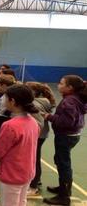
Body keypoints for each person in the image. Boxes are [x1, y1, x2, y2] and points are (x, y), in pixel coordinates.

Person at [0, 84, 40, 206]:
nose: (3, 99)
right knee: (21, 201)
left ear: (13, 101)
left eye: (5, 97)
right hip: (27, 171)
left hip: (12, 173)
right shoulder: (33, 122)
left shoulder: (10, 126)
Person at [43, 75, 86, 206]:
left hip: (66, 136)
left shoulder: (69, 102)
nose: (59, 85)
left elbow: (66, 122)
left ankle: (64, 196)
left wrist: (49, 116)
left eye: (61, 83)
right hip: (72, 135)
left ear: (70, 87)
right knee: (61, 161)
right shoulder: (76, 99)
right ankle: (63, 188)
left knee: (63, 164)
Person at [25, 82, 55, 196]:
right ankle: (37, 180)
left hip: (38, 135)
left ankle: (33, 187)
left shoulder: (34, 105)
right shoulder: (45, 100)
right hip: (42, 134)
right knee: (35, 157)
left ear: (33, 92)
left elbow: (39, 124)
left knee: (34, 159)